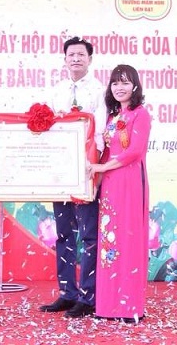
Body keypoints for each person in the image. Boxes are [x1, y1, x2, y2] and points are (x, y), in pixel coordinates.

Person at [39, 36, 106, 318]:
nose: (76, 59)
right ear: (65, 60)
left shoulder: (100, 91)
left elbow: (100, 130)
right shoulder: (56, 91)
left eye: (81, 54)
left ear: (90, 59)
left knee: (89, 235)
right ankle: (68, 293)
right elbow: (44, 126)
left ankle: (89, 296)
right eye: (71, 55)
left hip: (87, 168)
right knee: (64, 233)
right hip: (60, 169)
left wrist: (92, 166)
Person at [88, 65, 151, 323]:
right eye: (115, 83)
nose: (119, 87)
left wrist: (103, 167)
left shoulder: (141, 114)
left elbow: (134, 151)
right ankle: (108, 306)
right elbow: (105, 151)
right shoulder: (113, 117)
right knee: (110, 242)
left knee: (129, 239)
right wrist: (97, 179)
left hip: (130, 181)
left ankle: (129, 307)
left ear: (134, 86)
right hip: (111, 184)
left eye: (125, 82)